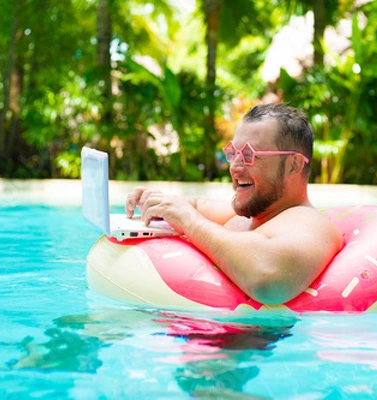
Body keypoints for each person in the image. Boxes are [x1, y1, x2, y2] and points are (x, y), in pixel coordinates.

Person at [125, 103, 343, 305]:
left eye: (249, 155)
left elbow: (268, 280)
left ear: (293, 165)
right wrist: (156, 202)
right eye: (233, 153)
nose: (235, 168)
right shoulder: (251, 213)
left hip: (251, 344)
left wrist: (187, 220)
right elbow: (196, 205)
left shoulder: (310, 224)